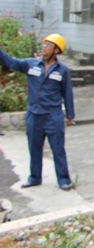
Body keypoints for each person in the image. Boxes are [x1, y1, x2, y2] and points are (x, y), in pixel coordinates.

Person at [0, 34, 75, 191]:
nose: (44, 47)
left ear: (56, 50)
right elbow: (11, 62)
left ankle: (63, 179)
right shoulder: (31, 65)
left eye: (48, 45)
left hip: (53, 116)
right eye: (44, 44)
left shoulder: (63, 71)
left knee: (58, 148)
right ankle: (34, 178)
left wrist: (70, 114)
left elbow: (67, 93)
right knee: (34, 148)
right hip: (34, 115)